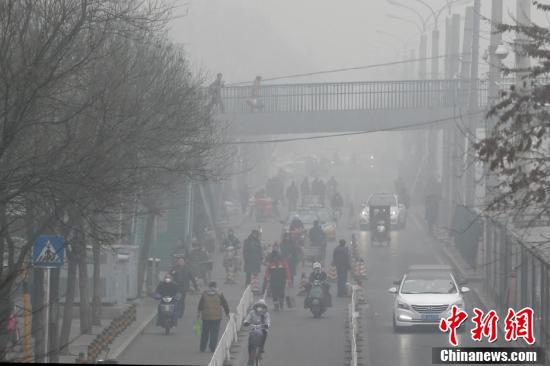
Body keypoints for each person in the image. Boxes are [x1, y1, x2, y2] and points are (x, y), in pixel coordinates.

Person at [197, 282, 230, 353]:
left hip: (206, 317)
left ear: (208, 286)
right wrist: (227, 314)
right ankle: (212, 348)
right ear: (215, 286)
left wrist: (198, 313)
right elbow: (225, 304)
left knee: (204, 333)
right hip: (216, 317)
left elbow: (200, 304)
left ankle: (202, 347)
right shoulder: (219, 294)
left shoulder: (204, 294)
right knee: (214, 333)